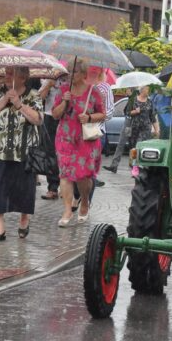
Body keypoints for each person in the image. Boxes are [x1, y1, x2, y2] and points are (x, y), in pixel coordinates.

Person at [0, 66, 43, 241]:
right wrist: (3, 102)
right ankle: (0, 227)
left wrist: (19, 104)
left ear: (23, 78)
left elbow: (38, 119)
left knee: (24, 188)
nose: (6, 76)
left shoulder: (33, 94)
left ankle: (24, 218)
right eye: (6, 73)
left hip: (24, 150)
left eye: (11, 74)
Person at [52, 60, 105, 226]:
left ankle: (84, 202)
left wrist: (89, 117)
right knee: (65, 174)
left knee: (83, 176)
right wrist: (64, 102)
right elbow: (55, 114)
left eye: (74, 71)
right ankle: (67, 210)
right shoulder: (63, 91)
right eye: (68, 71)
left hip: (85, 140)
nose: (70, 75)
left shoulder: (93, 92)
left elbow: (102, 114)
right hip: (65, 137)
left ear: (84, 74)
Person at [38, 77, 65, 201]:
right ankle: (53, 187)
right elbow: (39, 98)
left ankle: (67, 186)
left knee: (65, 153)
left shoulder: (72, 78)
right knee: (50, 153)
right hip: (49, 116)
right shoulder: (49, 77)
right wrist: (48, 85)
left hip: (66, 118)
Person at [127, 85, 159, 176]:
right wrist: (135, 111)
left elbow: (153, 117)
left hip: (145, 129)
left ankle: (138, 167)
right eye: (147, 89)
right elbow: (127, 112)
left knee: (140, 146)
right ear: (142, 90)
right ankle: (134, 166)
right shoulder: (133, 100)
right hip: (134, 128)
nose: (148, 91)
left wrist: (157, 130)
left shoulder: (150, 102)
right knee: (133, 147)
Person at [103, 89, 134, 174]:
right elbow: (126, 111)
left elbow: (131, 111)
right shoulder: (130, 99)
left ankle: (134, 167)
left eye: (128, 90)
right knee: (121, 144)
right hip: (127, 123)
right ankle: (114, 165)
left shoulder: (135, 98)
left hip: (132, 124)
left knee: (132, 145)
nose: (126, 91)